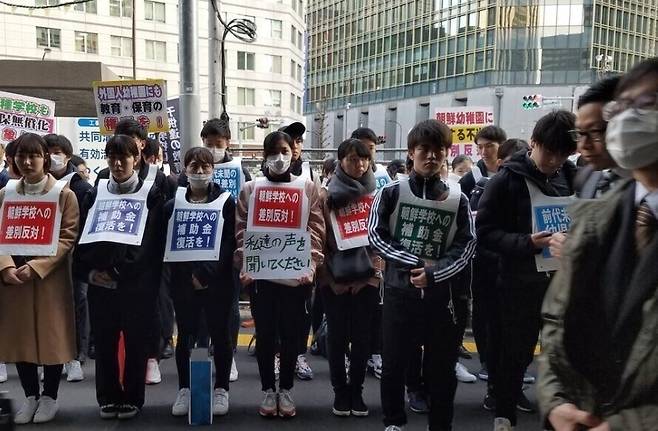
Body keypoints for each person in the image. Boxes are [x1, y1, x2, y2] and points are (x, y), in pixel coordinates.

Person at [538, 56, 658, 431]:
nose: (627, 118)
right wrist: (555, 401)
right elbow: (557, 321)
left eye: (647, 103)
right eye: (620, 107)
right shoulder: (596, 212)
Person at [369, 119, 476, 431]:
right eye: (424, 150)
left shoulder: (459, 198)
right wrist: (415, 263)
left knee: (441, 368)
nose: (431, 156)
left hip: (443, 298)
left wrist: (436, 273)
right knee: (393, 363)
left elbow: (466, 245)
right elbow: (376, 236)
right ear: (411, 153)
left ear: (446, 153)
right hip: (398, 292)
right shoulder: (391, 192)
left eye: (438, 151)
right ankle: (393, 422)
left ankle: (441, 424)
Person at [476, 110, 578, 431]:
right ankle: (504, 414)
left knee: (559, 358)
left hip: (561, 285)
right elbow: (486, 230)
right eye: (549, 151)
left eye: (563, 154)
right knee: (514, 356)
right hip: (517, 285)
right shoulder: (507, 179)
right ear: (534, 143)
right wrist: (526, 242)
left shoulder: (572, 177)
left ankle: (553, 417)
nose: (554, 160)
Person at [74, 134, 165, 420]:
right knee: (105, 342)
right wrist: (90, 272)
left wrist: (117, 271)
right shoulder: (94, 194)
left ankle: (133, 398)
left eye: (123, 157)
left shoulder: (150, 196)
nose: (116, 163)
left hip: (136, 286)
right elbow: (82, 241)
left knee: (136, 342)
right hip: (101, 286)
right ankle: (108, 396)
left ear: (135, 159)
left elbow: (149, 246)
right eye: (111, 157)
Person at [235, 131, 325, 418]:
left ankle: (285, 389)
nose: (279, 157)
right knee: (265, 335)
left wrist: (311, 266)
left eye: (284, 150)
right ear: (264, 156)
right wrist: (246, 264)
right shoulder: (250, 189)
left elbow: (316, 231)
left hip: (296, 278)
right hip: (261, 278)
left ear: (293, 152)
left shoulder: (308, 188)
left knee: (291, 336)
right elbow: (241, 232)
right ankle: (267, 390)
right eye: (273, 152)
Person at [0, 133, 79, 424]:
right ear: (14, 159)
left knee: (51, 337)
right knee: (20, 338)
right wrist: (5, 266)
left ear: (45, 158)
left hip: (49, 279)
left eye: (34, 155)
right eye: (22, 155)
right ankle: (31, 395)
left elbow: (68, 237)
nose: (27, 161)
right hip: (14, 280)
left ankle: (50, 397)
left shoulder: (63, 194)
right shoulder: (6, 193)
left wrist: (38, 266)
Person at [165, 147, 236, 417]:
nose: (200, 171)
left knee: (220, 334)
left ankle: (221, 389)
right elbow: (170, 242)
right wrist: (188, 276)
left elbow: (229, 241)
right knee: (185, 335)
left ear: (213, 170)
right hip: (183, 282)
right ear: (185, 168)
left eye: (206, 166)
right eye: (194, 165)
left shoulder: (226, 201)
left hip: (218, 282)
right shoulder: (175, 202)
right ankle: (184, 388)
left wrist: (206, 273)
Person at [317, 138, 383, 417]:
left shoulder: (379, 194)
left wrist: (371, 278)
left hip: (366, 281)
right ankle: (340, 391)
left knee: (362, 338)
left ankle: (356, 390)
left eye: (364, 159)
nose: (359, 164)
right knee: (336, 338)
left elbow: (383, 242)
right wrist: (329, 279)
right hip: (334, 281)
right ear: (340, 161)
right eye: (352, 159)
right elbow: (317, 240)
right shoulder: (325, 197)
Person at [469, 139, 530, 413]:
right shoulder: (484, 186)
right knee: (495, 333)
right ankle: (496, 389)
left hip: (524, 275)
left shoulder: (539, 187)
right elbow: (480, 232)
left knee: (523, 337)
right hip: (490, 272)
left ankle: (512, 389)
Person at [549, 76, 630, 259]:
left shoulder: (649, 187)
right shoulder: (587, 178)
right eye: (579, 134)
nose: (583, 145)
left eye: (594, 132)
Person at [44, 134, 94, 383]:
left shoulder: (82, 187)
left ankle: (75, 356)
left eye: (57, 151)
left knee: (77, 303)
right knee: (48, 308)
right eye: (48, 151)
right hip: (43, 259)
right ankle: (50, 357)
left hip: (75, 259)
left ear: (67, 154)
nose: (53, 156)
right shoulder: (37, 185)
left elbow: (85, 226)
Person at [459, 126, 507, 198]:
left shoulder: (512, 172)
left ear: (502, 146)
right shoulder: (471, 178)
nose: (484, 152)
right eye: (480, 147)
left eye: (489, 146)